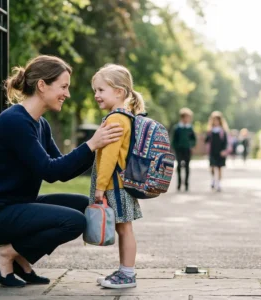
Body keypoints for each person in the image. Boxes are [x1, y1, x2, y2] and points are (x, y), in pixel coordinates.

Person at [0, 55, 124, 288]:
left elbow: (61, 169)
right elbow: (49, 171)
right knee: (74, 222)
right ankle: (5, 254)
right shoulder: (15, 121)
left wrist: (96, 149)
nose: (67, 94)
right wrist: (91, 144)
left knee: (83, 205)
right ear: (42, 85)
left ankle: (20, 260)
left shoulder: (40, 123)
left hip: (17, 204)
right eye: (63, 87)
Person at [89, 64, 144, 289]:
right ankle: (124, 271)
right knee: (123, 228)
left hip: (116, 185)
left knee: (125, 229)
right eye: (96, 90)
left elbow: (110, 157)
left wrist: (100, 188)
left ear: (119, 92)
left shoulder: (115, 119)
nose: (96, 95)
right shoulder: (124, 117)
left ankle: (128, 274)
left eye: (101, 90)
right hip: (120, 184)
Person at [171, 107, 197, 191]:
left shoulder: (190, 128)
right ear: (182, 117)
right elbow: (174, 139)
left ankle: (186, 184)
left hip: (187, 149)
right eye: (186, 117)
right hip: (179, 149)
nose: (188, 119)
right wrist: (174, 147)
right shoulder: (177, 128)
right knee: (178, 166)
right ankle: (179, 184)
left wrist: (191, 145)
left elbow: (194, 139)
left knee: (187, 166)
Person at [204, 111, 230, 192]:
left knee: (219, 168)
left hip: (220, 152)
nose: (215, 122)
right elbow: (206, 140)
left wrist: (224, 150)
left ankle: (218, 183)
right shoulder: (210, 131)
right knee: (212, 166)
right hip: (212, 152)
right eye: (214, 120)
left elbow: (225, 142)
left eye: (217, 120)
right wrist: (208, 134)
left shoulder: (222, 131)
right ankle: (213, 180)